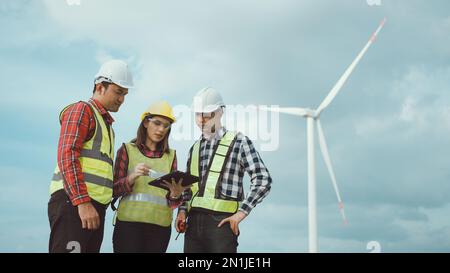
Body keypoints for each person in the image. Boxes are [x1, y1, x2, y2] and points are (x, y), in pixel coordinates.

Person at [48, 60, 134, 253]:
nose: (122, 99)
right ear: (100, 87)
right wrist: (82, 202)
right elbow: (67, 155)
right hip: (75, 204)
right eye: (118, 92)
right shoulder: (82, 111)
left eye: (125, 94)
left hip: (93, 208)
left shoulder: (107, 127)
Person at [175, 87, 273, 253]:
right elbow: (187, 190)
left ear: (220, 113)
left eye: (207, 114)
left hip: (221, 224)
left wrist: (241, 213)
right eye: (198, 114)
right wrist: (182, 212)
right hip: (193, 227)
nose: (201, 120)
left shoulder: (239, 142)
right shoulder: (195, 148)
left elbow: (263, 179)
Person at [112, 102, 191, 253]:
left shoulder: (171, 156)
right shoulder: (127, 150)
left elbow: (172, 201)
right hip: (129, 226)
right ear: (146, 122)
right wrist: (132, 177)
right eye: (157, 123)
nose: (161, 129)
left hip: (160, 229)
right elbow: (113, 190)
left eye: (166, 126)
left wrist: (175, 195)